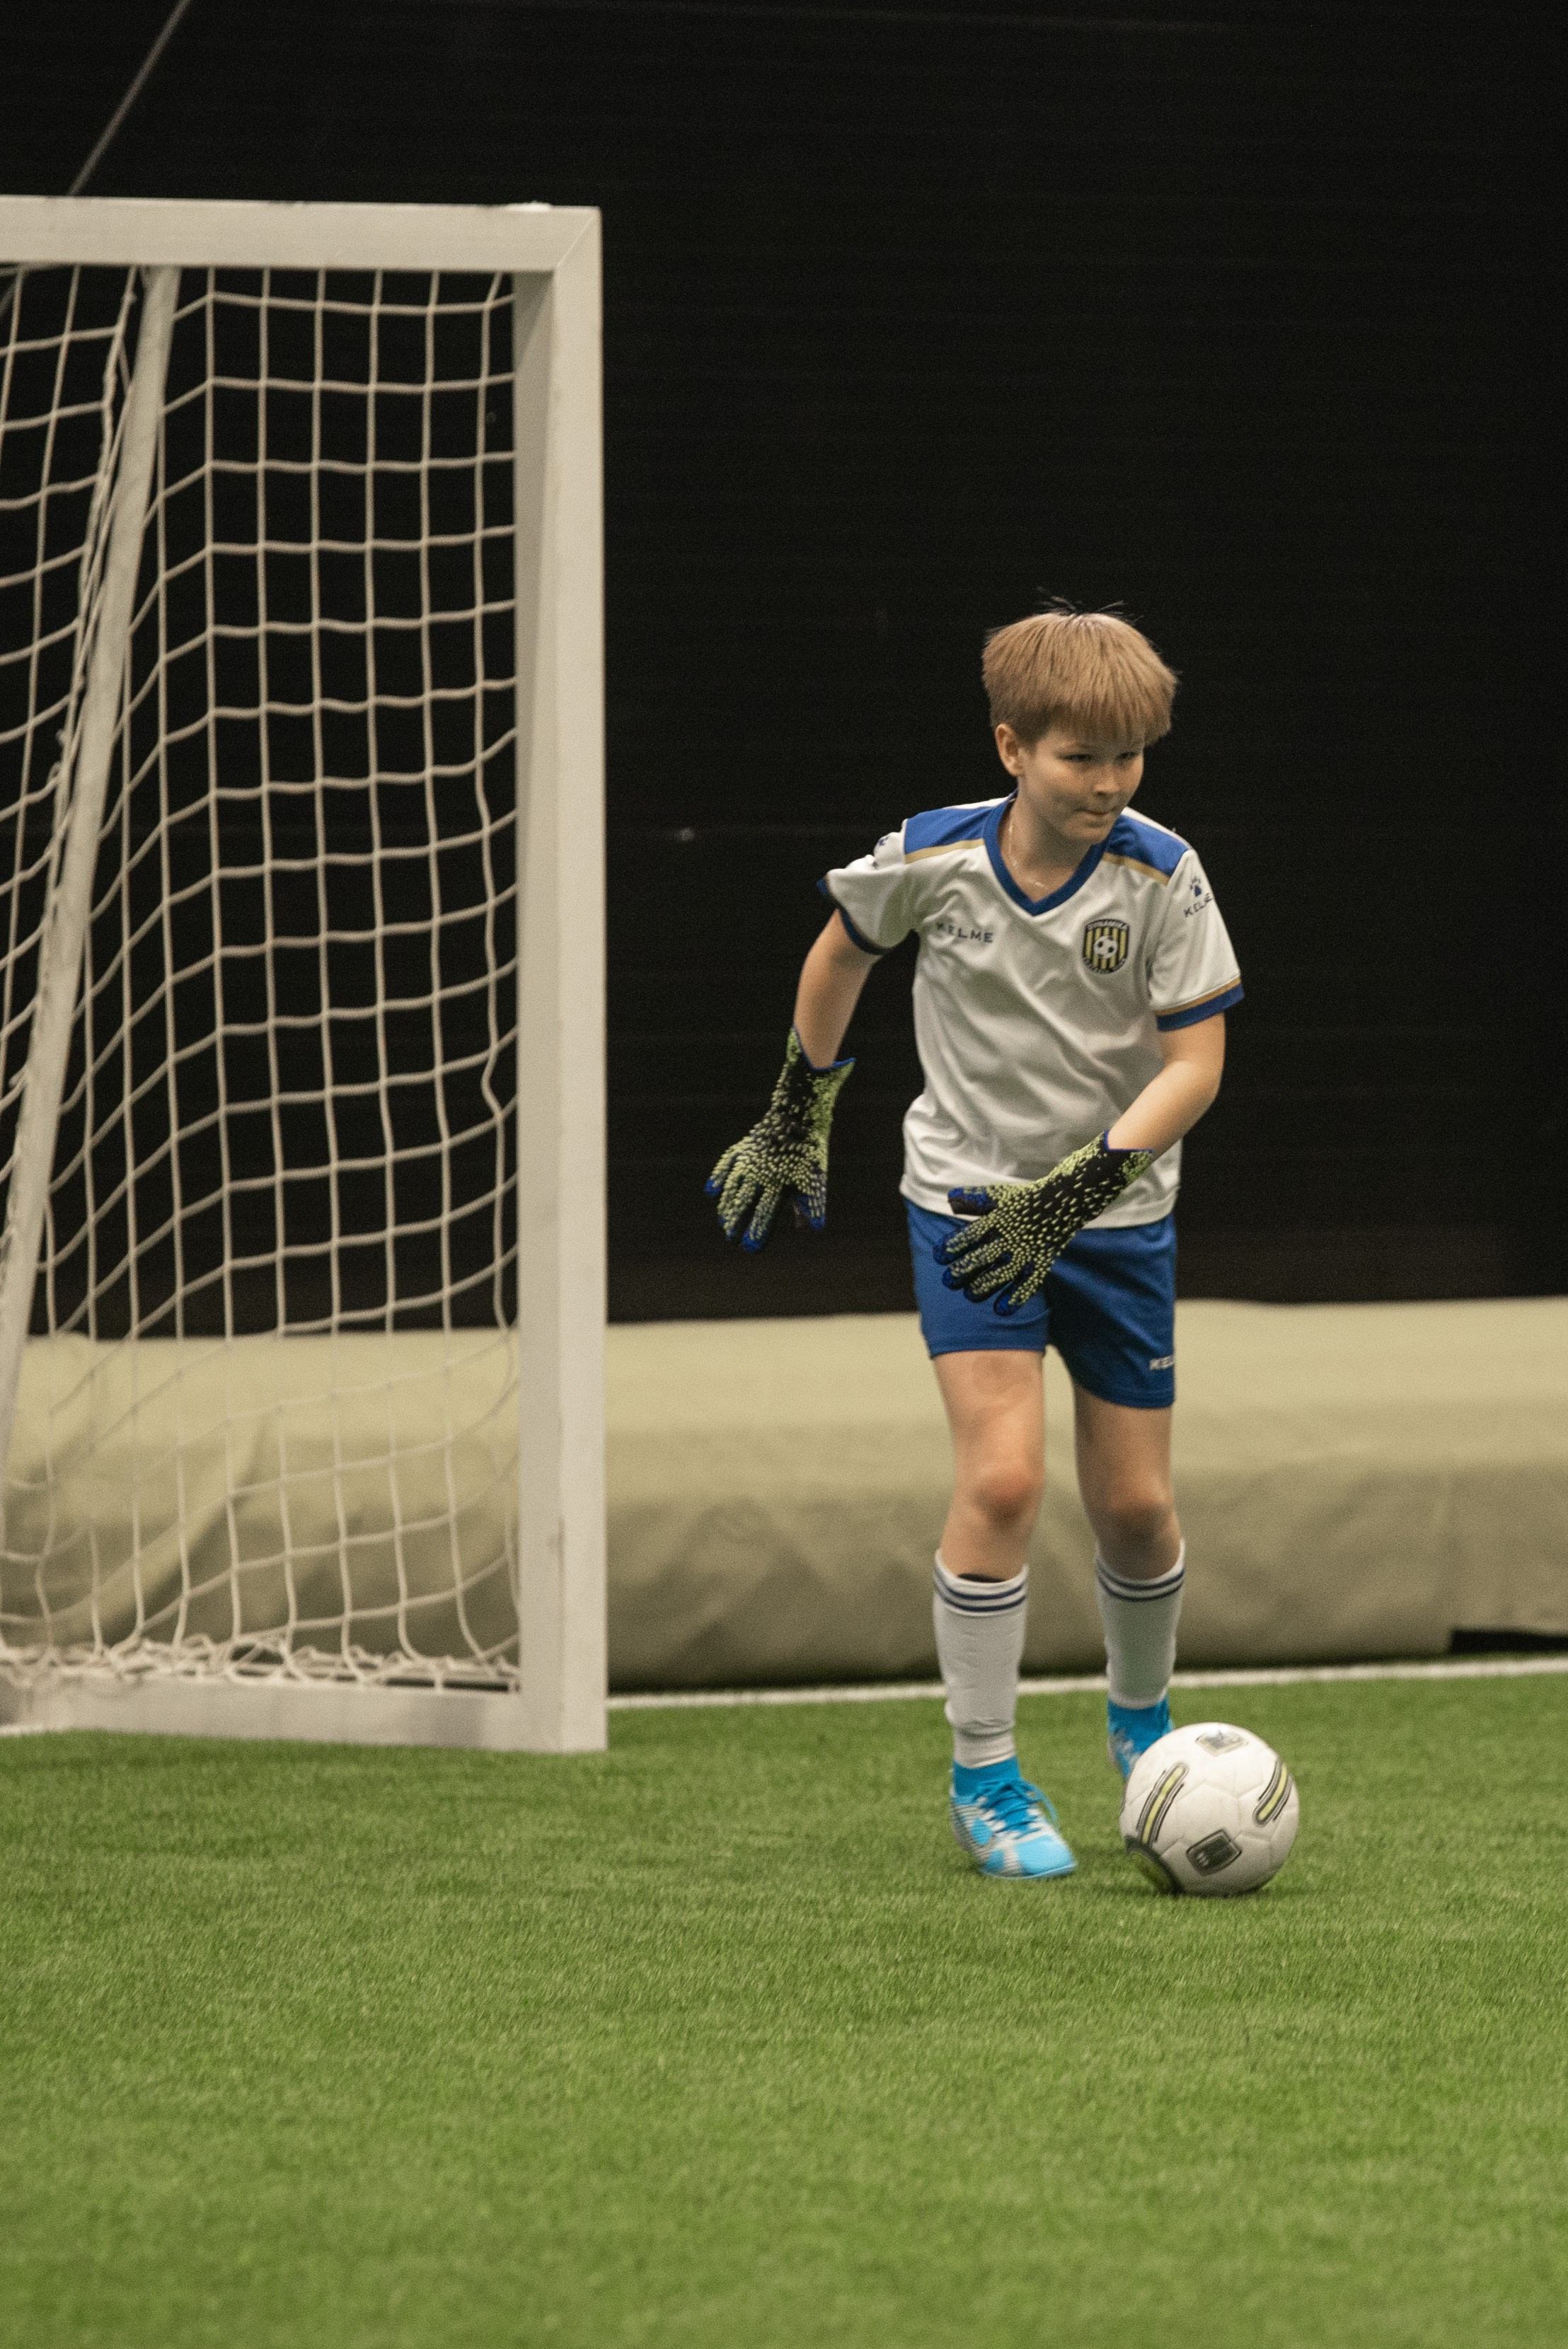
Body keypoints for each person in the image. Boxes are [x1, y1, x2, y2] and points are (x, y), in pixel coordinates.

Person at [705, 607, 1241, 1881]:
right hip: (965, 1212)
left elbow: (1197, 1064)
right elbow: (840, 954)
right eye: (1080, 757)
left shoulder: (1165, 875)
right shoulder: (934, 859)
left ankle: (1143, 1723)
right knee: (1002, 1481)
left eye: (1130, 757)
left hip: (1115, 1223)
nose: (1109, 783)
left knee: (1136, 1508)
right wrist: (798, 1106)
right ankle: (987, 1774)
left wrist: (1078, 1188)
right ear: (1013, 748)